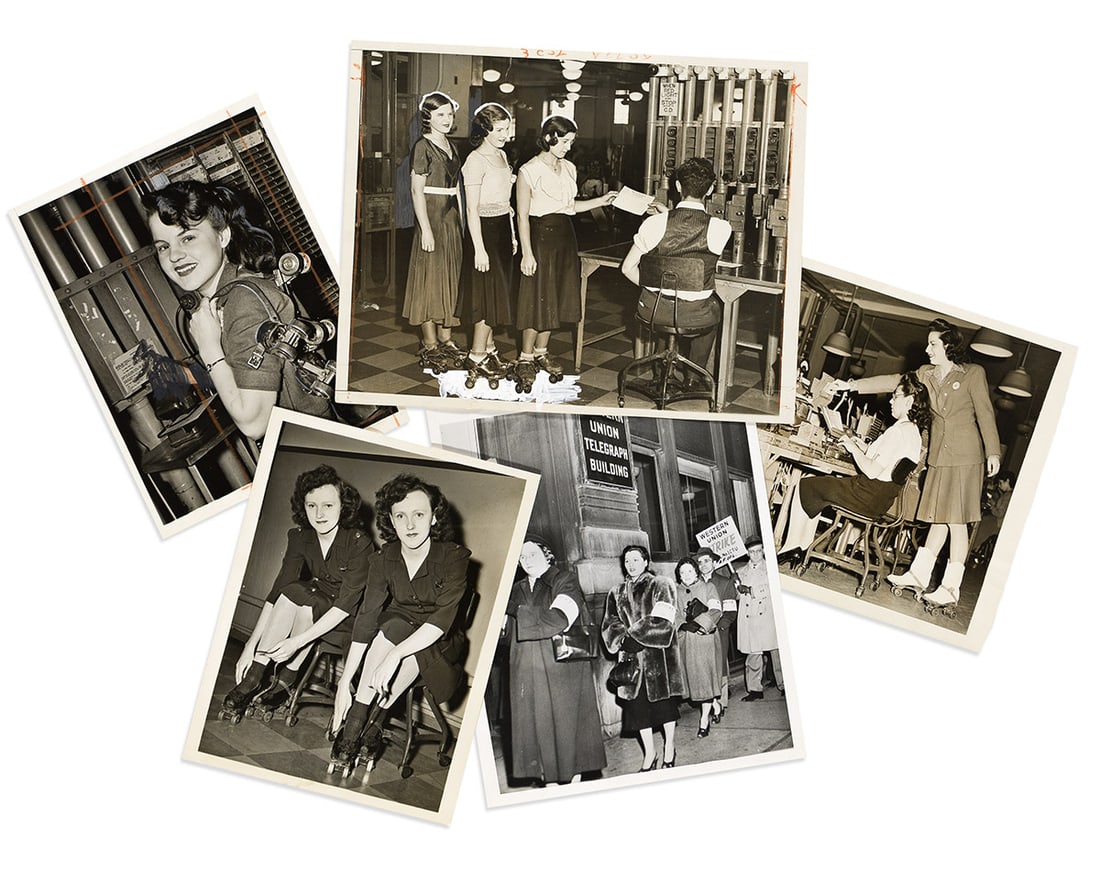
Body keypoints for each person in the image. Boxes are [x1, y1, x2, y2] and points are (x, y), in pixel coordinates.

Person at [830, 319, 1000, 608]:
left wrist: (993, 452)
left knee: (956, 521)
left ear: (949, 345)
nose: (927, 348)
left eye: (933, 344)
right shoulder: (925, 374)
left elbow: (985, 413)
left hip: (966, 455)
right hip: (938, 456)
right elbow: (895, 380)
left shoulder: (972, 373)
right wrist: (851, 385)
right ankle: (919, 574)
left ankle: (951, 587)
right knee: (939, 517)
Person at [143, 180, 331, 439]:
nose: (174, 256)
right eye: (163, 247)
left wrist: (209, 349)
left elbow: (254, 424)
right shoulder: (230, 293)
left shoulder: (242, 301)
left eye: (187, 238)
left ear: (223, 236)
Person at [331, 474, 471, 771]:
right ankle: (360, 723)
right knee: (390, 626)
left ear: (434, 518)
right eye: (400, 516)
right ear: (391, 522)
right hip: (396, 626)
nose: (410, 525)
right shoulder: (383, 558)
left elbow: (441, 619)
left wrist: (395, 655)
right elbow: (367, 616)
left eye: (419, 514)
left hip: (439, 640)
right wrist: (345, 682)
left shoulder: (454, 557)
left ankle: (367, 723)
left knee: (407, 644)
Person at [219, 465, 374, 721]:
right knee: (294, 591)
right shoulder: (301, 536)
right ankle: (257, 674)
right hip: (314, 601)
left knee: (306, 600)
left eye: (328, 505)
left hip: (346, 617)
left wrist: (296, 643)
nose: (319, 514)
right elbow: (278, 590)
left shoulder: (359, 541)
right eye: (311, 506)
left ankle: (288, 676)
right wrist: (250, 646)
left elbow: (347, 604)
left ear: (342, 506)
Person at [778, 371, 931, 559]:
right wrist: (861, 445)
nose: (891, 401)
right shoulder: (913, 432)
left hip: (866, 494)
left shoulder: (898, 431)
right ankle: (801, 549)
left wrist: (852, 448)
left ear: (909, 401)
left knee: (806, 484)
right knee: (819, 486)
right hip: (881, 500)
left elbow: (872, 470)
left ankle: (792, 546)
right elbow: (889, 463)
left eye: (896, 396)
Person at [514, 115, 616, 384]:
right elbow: (522, 216)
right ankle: (524, 358)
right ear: (549, 138)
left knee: (556, 296)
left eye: (572, 141)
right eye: (565, 141)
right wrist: (527, 252)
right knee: (536, 298)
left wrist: (602, 200)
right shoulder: (528, 171)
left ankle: (541, 352)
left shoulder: (569, 168)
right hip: (539, 237)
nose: (569, 147)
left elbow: (569, 207)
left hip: (565, 236)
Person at [503, 536, 606, 786]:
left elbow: (559, 618)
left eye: (532, 554)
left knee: (566, 729)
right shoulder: (516, 588)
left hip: (561, 671)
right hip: (528, 670)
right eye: (522, 557)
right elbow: (506, 634)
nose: (526, 561)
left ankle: (571, 785)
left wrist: (514, 610)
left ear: (547, 554)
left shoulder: (564, 580)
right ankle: (549, 784)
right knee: (539, 731)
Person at [620, 157, 733, 381]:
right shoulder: (722, 228)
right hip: (696, 315)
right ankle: (693, 374)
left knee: (666, 310)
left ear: (678, 186)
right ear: (710, 189)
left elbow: (627, 268)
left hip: (654, 310)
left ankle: (662, 372)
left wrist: (655, 287)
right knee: (712, 307)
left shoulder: (653, 224)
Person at [602, 544, 684, 771]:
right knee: (638, 711)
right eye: (627, 561)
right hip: (631, 660)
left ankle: (669, 747)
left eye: (636, 560)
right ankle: (650, 753)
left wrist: (635, 637)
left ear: (646, 561)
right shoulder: (616, 592)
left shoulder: (662, 584)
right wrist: (621, 640)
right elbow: (610, 623)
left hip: (659, 659)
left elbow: (664, 619)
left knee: (664, 708)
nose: (631, 564)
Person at [404, 92, 467, 374]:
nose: (446, 119)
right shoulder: (422, 146)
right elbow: (416, 190)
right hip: (431, 215)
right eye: (440, 114)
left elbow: (457, 189)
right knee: (429, 280)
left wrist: (464, 221)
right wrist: (425, 229)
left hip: (451, 217)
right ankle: (430, 344)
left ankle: (446, 338)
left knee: (449, 278)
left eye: (449, 114)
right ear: (427, 116)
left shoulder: (451, 144)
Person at [460, 103, 517, 385]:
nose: (506, 134)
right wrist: (479, 248)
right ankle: (476, 354)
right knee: (486, 296)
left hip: (503, 230)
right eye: (500, 129)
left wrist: (514, 234)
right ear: (485, 129)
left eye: (507, 128)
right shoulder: (474, 161)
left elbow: (507, 203)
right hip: (483, 232)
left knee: (496, 295)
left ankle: (491, 348)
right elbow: (471, 210)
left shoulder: (503, 155)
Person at [673, 556, 723, 738]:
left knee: (705, 679)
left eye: (690, 571)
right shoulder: (675, 591)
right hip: (686, 640)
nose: (686, 575)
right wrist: (682, 624)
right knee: (695, 682)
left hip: (704, 639)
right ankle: (716, 705)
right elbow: (673, 612)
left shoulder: (708, 587)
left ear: (696, 572)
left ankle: (704, 720)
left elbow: (716, 610)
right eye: (682, 572)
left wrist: (701, 624)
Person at [734, 538, 784, 702]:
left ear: (763, 550)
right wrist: (735, 585)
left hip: (766, 615)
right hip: (749, 618)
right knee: (753, 654)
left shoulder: (771, 569)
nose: (755, 554)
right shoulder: (741, 572)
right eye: (751, 551)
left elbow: (773, 588)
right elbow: (736, 596)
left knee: (776, 652)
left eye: (758, 550)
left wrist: (751, 589)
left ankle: (784, 684)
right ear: (747, 553)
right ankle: (755, 689)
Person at [696, 547, 737, 719]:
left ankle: (721, 702)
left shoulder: (724, 582)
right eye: (700, 562)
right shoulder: (693, 582)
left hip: (718, 631)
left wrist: (720, 626)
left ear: (714, 563)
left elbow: (730, 612)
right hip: (698, 633)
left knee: (720, 666)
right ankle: (707, 703)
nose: (703, 565)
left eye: (707, 561)